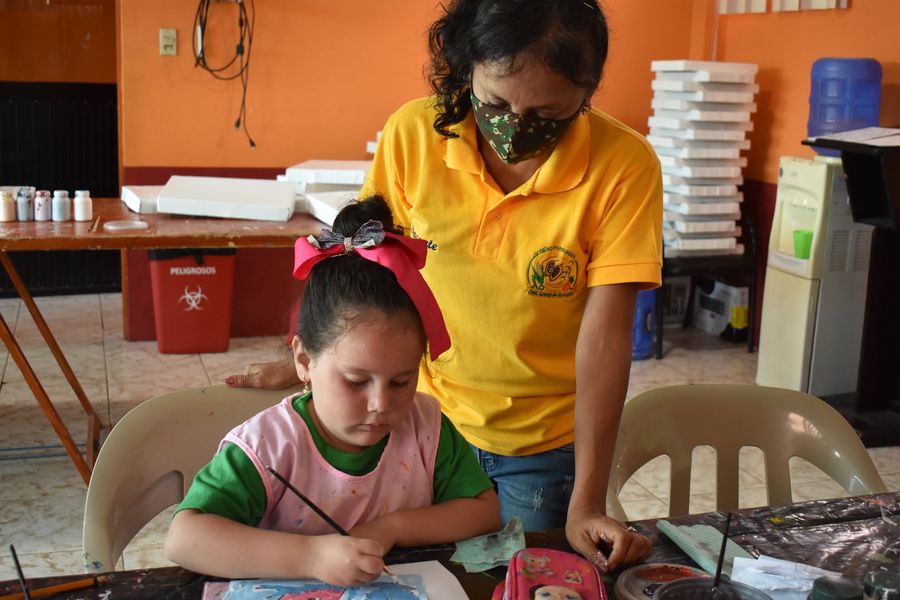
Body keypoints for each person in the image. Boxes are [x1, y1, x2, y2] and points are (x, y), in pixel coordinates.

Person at [226, 0, 660, 570]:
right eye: (496, 104)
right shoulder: (414, 135)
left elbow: (604, 341)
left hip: (539, 445)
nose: (515, 125)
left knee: (521, 578)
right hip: (423, 422)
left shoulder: (623, 165)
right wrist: (319, 358)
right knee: (418, 574)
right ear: (465, 70)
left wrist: (586, 501)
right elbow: (370, 274)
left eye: (547, 112)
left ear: (587, 91)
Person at [167, 197, 500, 586]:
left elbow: (484, 511)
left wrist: (392, 527)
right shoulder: (270, 447)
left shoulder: (425, 428)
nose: (381, 404)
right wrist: (311, 557)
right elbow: (184, 540)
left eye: (401, 382)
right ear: (304, 361)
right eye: (356, 382)